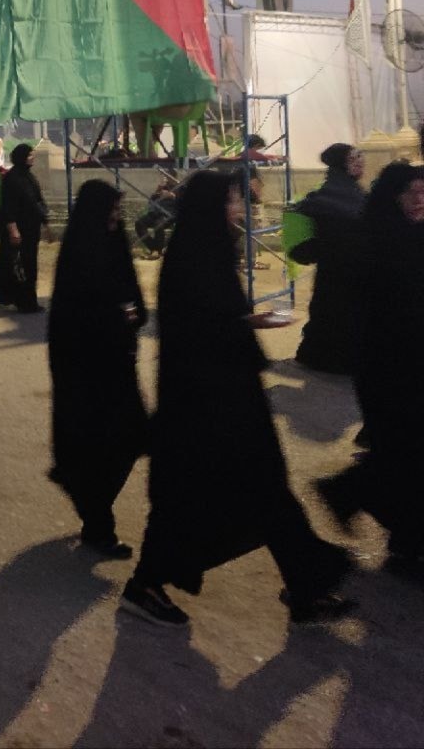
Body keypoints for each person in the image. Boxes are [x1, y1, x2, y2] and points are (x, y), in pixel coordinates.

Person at [120, 170, 353, 627]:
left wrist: (247, 322)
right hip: (204, 406)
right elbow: (197, 333)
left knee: (268, 491)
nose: (239, 208)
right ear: (210, 206)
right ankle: (146, 582)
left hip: (232, 397)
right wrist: (246, 324)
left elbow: (216, 320)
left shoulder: (210, 250)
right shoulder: (191, 257)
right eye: (231, 200)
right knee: (189, 500)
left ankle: (307, 588)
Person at [315, 163, 424, 579]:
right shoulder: (375, 240)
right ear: (393, 195)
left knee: (407, 455)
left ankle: (399, 534)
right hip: (387, 367)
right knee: (406, 453)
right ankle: (353, 498)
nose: (419, 200)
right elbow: (365, 312)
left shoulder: (415, 236)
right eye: (411, 192)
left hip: (414, 364)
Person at [47, 181, 149, 558]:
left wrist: (133, 314)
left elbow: (129, 288)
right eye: (109, 212)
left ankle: (86, 497)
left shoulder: (114, 244)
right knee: (97, 445)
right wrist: (114, 318)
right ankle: (97, 522)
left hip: (118, 362)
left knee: (131, 439)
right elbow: (74, 318)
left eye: (117, 213)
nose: (115, 219)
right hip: (85, 370)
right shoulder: (78, 253)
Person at [291, 143, 366, 374]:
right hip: (344, 270)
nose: (361, 161)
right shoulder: (344, 196)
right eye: (354, 158)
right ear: (341, 164)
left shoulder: (329, 194)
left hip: (334, 272)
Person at [0, 142, 50, 312]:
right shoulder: (13, 178)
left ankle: (4, 290)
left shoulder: (27, 176)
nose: (32, 157)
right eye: (29, 155)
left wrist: (44, 221)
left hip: (30, 228)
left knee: (15, 263)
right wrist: (13, 229)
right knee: (25, 266)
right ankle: (26, 302)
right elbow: (9, 206)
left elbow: (36, 200)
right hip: (20, 229)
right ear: (21, 157)